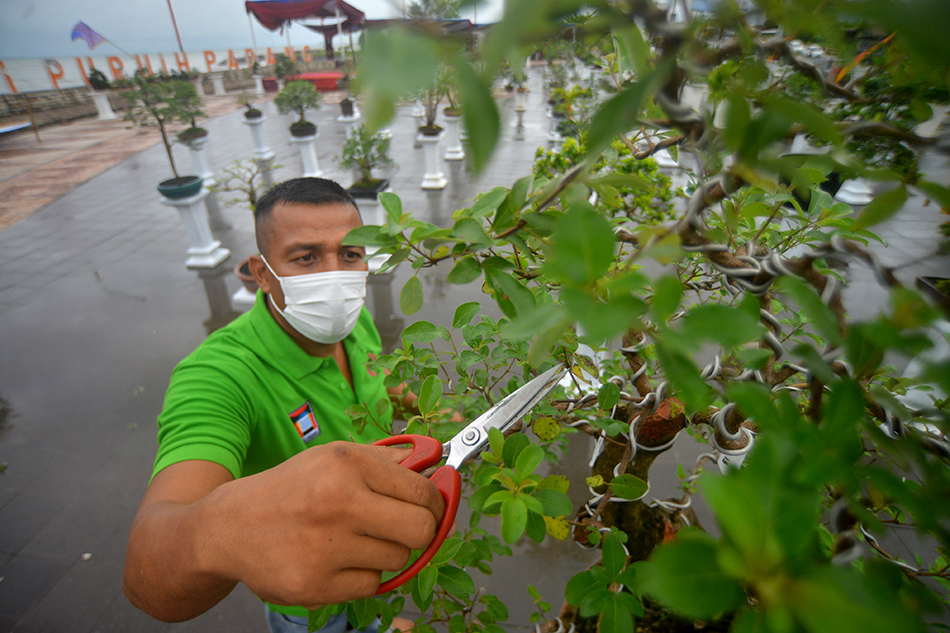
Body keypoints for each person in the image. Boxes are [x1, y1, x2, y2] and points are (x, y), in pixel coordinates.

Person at [123, 178, 445, 632]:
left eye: (350, 254)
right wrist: (224, 534)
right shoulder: (219, 375)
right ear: (261, 271)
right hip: (310, 604)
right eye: (306, 257)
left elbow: (380, 377)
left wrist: (426, 408)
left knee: (374, 619)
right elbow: (146, 571)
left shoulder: (355, 325)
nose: (335, 275)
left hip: (382, 556)